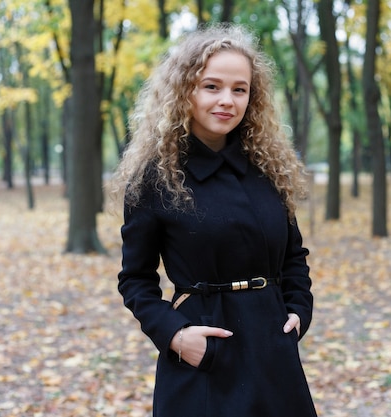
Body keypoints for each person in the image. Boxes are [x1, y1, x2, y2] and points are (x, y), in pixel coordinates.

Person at [109, 23, 317, 417]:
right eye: (211, 86)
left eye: (240, 89)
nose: (227, 100)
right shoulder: (155, 179)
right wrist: (174, 335)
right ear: (185, 91)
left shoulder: (268, 170)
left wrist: (298, 311)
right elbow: (135, 279)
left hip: (273, 351)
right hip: (204, 353)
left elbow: (294, 254)